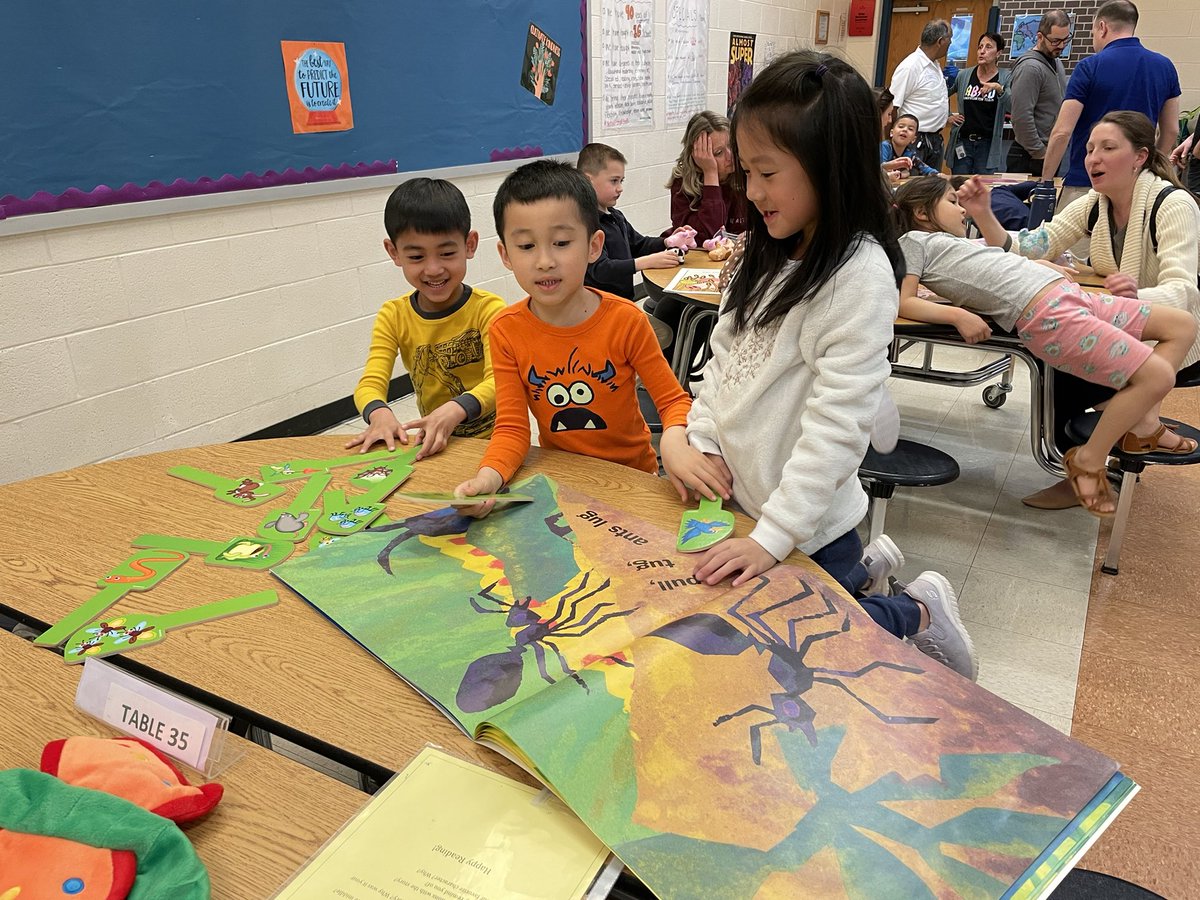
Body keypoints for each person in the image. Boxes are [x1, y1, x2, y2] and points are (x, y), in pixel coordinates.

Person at [685, 50, 978, 681]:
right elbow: (725, 358)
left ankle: (918, 611)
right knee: (770, 624)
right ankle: (865, 571)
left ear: (829, 167)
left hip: (807, 520)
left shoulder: (859, 275)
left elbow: (837, 431)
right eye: (747, 173)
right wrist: (699, 438)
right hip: (753, 501)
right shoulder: (770, 250)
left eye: (768, 173)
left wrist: (772, 537)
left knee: (816, 644)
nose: (753, 192)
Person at [893, 174, 1197, 516]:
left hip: (1071, 297)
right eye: (952, 202)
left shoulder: (961, 243)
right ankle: (1089, 458)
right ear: (920, 211)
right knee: (1157, 377)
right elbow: (904, 302)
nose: (961, 209)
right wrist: (956, 316)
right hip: (1047, 315)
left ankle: (1140, 426)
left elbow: (995, 263)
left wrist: (1034, 265)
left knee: (1183, 324)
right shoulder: (913, 242)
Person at [453, 160, 727, 513]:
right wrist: (488, 480)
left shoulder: (625, 320)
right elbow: (512, 429)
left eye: (562, 242)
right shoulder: (506, 330)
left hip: (631, 480)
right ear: (505, 255)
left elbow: (673, 402)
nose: (545, 261)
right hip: (563, 482)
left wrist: (674, 440)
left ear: (594, 246)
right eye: (526, 247)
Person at [1001, 112, 1200, 509]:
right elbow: (1037, 243)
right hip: (1124, 323)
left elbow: (1183, 293)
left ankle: (1102, 453)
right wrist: (979, 220)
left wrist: (1134, 296)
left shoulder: (1174, 204)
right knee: (1055, 352)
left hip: (1178, 337)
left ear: (1140, 157)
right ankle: (1096, 455)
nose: (1094, 158)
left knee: (1066, 363)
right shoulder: (1095, 202)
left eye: (1108, 149)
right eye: (1090, 149)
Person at [348, 178, 507, 459]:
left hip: (496, 440)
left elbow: (500, 381)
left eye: (446, 253)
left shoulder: (489, 309)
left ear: (470, 245)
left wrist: (457, 408)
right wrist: (379, 413)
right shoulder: (394, 315)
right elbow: (370, 383)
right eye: (417, 256)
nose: (433, 269)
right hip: (436, 444)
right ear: (394, 252)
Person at [1040, 0, 1181, 212]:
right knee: (1131, 245)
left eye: (1093, 33)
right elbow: (1171, 131)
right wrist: (1148, 170)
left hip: (1087, 184)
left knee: (1073, 245)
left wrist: (1046, 183)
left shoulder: (1089, 66)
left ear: (1102, 27)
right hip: (1137, 187)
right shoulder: (1165, 67)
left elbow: (1062, 132)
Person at [576, 143, 682, 301]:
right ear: (588, 180)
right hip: (600, 306)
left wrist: (667, 242)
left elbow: (639, 244)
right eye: (614, 181)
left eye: (621, 181)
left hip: (623, 302)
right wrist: (644, 263)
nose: (620, 188)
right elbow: (601, 269)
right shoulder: (586, 223)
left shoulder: (616, 216)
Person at [663, 111, 748, 242]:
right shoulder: (682, 184)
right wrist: (711, 174)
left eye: (732, 145)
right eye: (718, 152)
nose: (730, 156)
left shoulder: (747, 174)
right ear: (698, 156)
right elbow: (710, 236)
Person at [1007, 10, 1070, 177]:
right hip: (1028, 156)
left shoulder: (1057, 63)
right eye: (1056, 41)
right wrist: (1040, 152)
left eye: (1065, 40)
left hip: (1049, 153)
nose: (1061, 46)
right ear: (1040, 37)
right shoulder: (1030, 68)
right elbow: (1021, 117)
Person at [888, 19, 952, 171]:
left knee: (932, 189)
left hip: (934, 140)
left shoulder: (934, 65)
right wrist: (894, 144)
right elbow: (892, 108)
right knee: (913, 188)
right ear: (940, 41)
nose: (950, 44)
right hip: (914, 141)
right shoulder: (910, 67)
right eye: (949, 40)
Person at [946, 31, 1012, 175]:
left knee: (983, 188)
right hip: (963, 141)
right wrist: (948, 116)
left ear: (998, 53)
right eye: (980, 47)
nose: (982, 51)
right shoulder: (964, 75)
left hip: (987, 145)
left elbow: (1013, 107)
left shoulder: (1006, 77)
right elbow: (940, 96)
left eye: (988, 47)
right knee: (960, 186)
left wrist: (999, 89)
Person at [881, 114, 940, 178]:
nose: (905, 130)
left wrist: (938, 175)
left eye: (910, 129)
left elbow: (925, 169)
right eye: (901, 126)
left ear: (913, 139)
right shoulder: (885, 146)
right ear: (891, 133)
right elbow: (879, 168)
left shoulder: (910, 153)